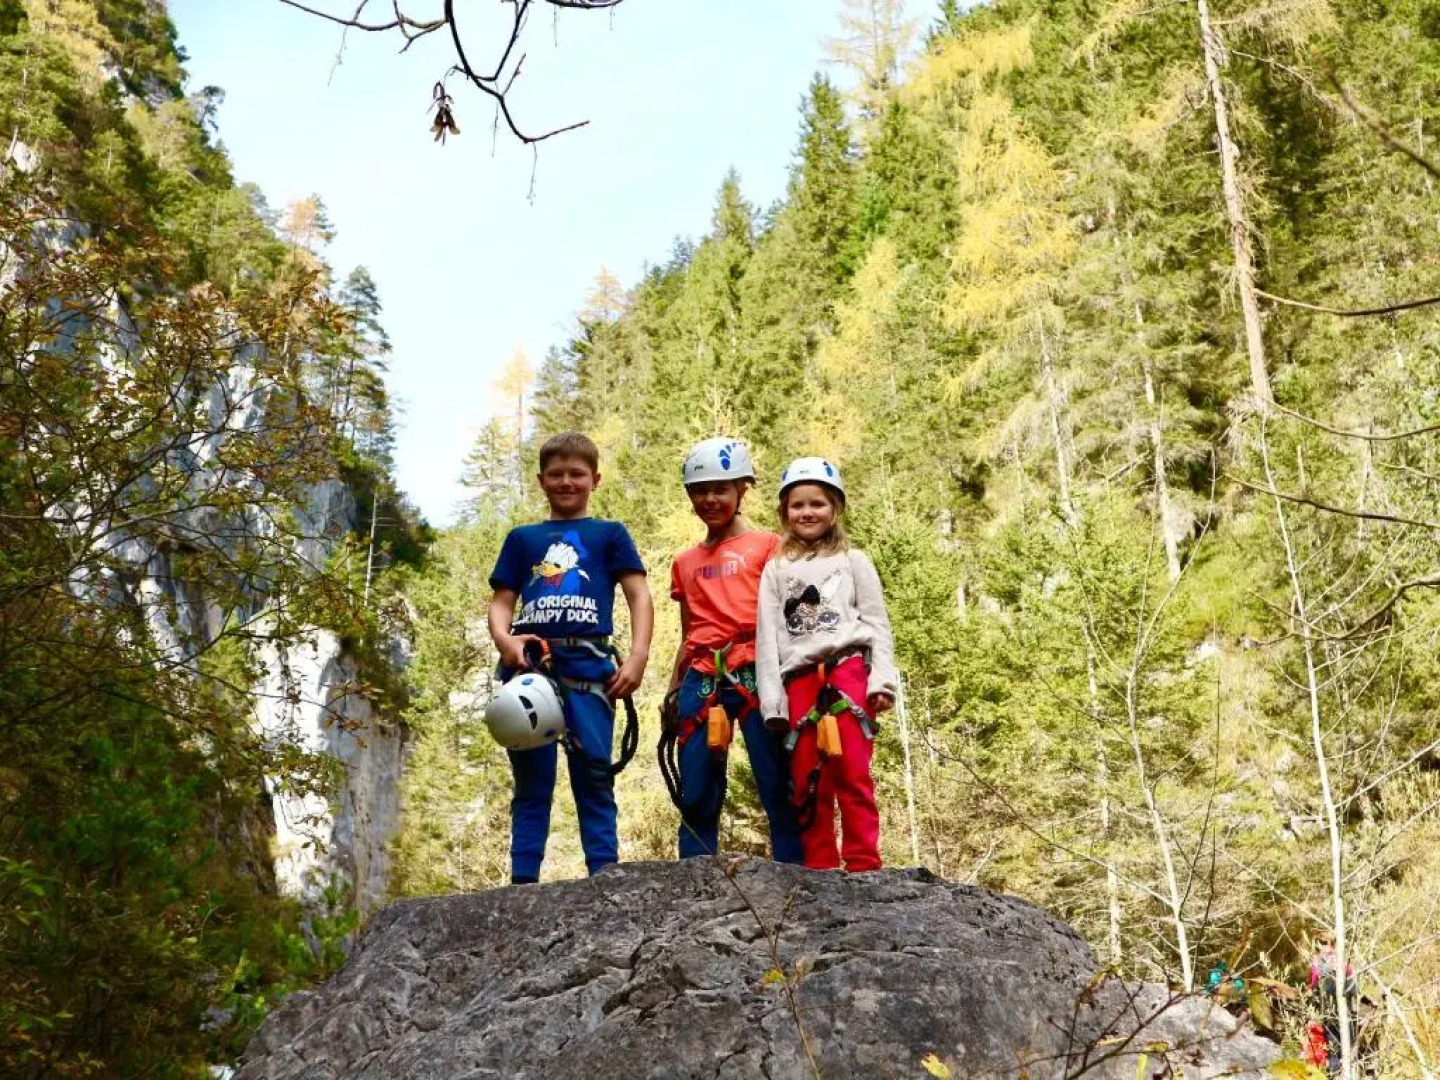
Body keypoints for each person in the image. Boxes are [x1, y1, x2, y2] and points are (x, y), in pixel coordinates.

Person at [487, 432, 653, 884]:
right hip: (530, 667)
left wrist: (636, 659)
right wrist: (505, 641)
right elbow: (503, 601)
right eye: (556, 474)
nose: (566, 482)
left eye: (576, 474)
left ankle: (604, 876)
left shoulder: (609, 534)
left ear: (595, 479)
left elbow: (639, 595)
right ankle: (523, 883)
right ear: (541, 480)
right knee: (531, 782)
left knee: (595, 775)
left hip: (590, 669)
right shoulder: (522, 539)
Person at [662, 437, 802, 863]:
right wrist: (672, 690)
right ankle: (695, 874)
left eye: (720, 489)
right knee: (698, 787)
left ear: (742, 489)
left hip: (758, 671)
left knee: (775, 779)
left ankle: (794, 876)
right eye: (699, 491)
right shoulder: (685, 562)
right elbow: (689, 632)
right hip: (701, 677)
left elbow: (790, 616)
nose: (709, 499)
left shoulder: (770, 547)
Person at [755, 457, 897, 872]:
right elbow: (768, 638)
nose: (807, 512)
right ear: (784, 512)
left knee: (852, 771)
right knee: (806, 781)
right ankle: (819, 865)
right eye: (797, 505)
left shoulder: (855, 561)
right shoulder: (777, 569)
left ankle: (863, 861)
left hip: (848, 671)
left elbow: (877, 624)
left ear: (835, 508)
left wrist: (881, 681)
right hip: (798, 679)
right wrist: (773, 703)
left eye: (817, 503)